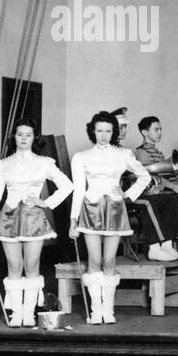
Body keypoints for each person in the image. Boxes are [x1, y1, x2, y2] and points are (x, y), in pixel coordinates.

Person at [0, 118, 74, 327]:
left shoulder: (44, 162)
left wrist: (46, 202)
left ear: (34, 138)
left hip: (33, 219)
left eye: (28, 135)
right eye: (20, 134)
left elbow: (67, 185)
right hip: (8, 219)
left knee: (31, 265)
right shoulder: (2, 165)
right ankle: (16, 312)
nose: (23, 138)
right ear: (14, 137)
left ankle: (29, 313)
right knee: (14, 264)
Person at [70, 110, 152, 324]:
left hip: (115, 210)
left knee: (109, 260)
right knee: (94, 260)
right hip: (90, 210)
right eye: (99, 131)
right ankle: (96, 311)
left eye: (108, 131)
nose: (103, 135)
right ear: (93, 131)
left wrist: (127, 194)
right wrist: (73, 221)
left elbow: (145, 176)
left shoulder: (124, 154)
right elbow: (78, 189)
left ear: (113, 132)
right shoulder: (81, 157)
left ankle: (108, 310)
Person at [131, 115, 178, 261]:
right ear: (145, 133)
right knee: (167, 199)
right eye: (156, 129)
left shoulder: (158, 153)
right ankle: (155, 248)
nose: (160, 133)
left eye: (160, 129)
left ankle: (168, 245)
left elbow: (164, 174)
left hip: (159, 193)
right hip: (146, 194)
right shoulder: (141, 153)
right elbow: (148, 176)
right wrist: (172, 186)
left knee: (173, 199)